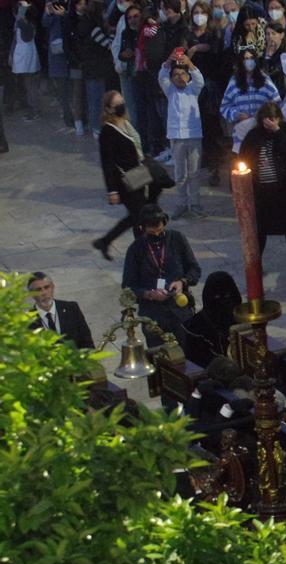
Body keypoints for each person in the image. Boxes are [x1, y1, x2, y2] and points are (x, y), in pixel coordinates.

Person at [239, 102, 286, 277]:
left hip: (285, 190)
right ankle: (257, 264)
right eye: (266, 119)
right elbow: (244, 157)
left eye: (273, 119)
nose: (269, 122)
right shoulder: (254, 135)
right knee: (260, 230)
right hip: (262, 191)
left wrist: (277, 131)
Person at [94, 90, 164, 261]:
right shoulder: (108, 131)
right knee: (139, 216)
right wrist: (112, 190)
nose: (121, 106)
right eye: (117, 104)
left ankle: (107, 242)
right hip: (124, 181)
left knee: (140, 215)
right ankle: (141, 251)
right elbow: (107, 162)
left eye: (122, 102)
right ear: (109, 109)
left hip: (138, 174)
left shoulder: (125, 124)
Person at [120, 204, 201, 346]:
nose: (157, 234)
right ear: (143, 228)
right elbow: (128, 286)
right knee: (159, 354)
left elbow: (194, 269)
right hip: (153, 316)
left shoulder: (177, 238)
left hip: (179, 309)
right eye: (152, 232)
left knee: (190, 348)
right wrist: (149, 294)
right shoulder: (135, 249)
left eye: (160, 230)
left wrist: (182, 282)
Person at [158, 54, 205, 219]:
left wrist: (189, 63)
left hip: (194, 135)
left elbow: (200, 79)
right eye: (176, 75)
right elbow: (162, 76)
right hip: (176, 136)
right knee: (180, 174)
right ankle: (182, 204)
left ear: (188, 76)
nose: (179, 77)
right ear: (172, 78)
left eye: (183, 74)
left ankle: (195, 204)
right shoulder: (170, 91)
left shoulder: (193, 89)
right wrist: (169, 60)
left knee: (194, 173)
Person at [182, 271, 242, 367]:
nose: (222, 302)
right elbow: (196, 363)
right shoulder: (195, 328)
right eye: (217, 297)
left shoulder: (243, 318)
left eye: (227, 296)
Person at [26, 272, 95, 350]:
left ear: (53, 287)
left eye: (47, 287)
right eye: (38, 290)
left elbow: (87, 342)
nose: (44, 293)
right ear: (31, 294)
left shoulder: (71, 308)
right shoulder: (27, 320)